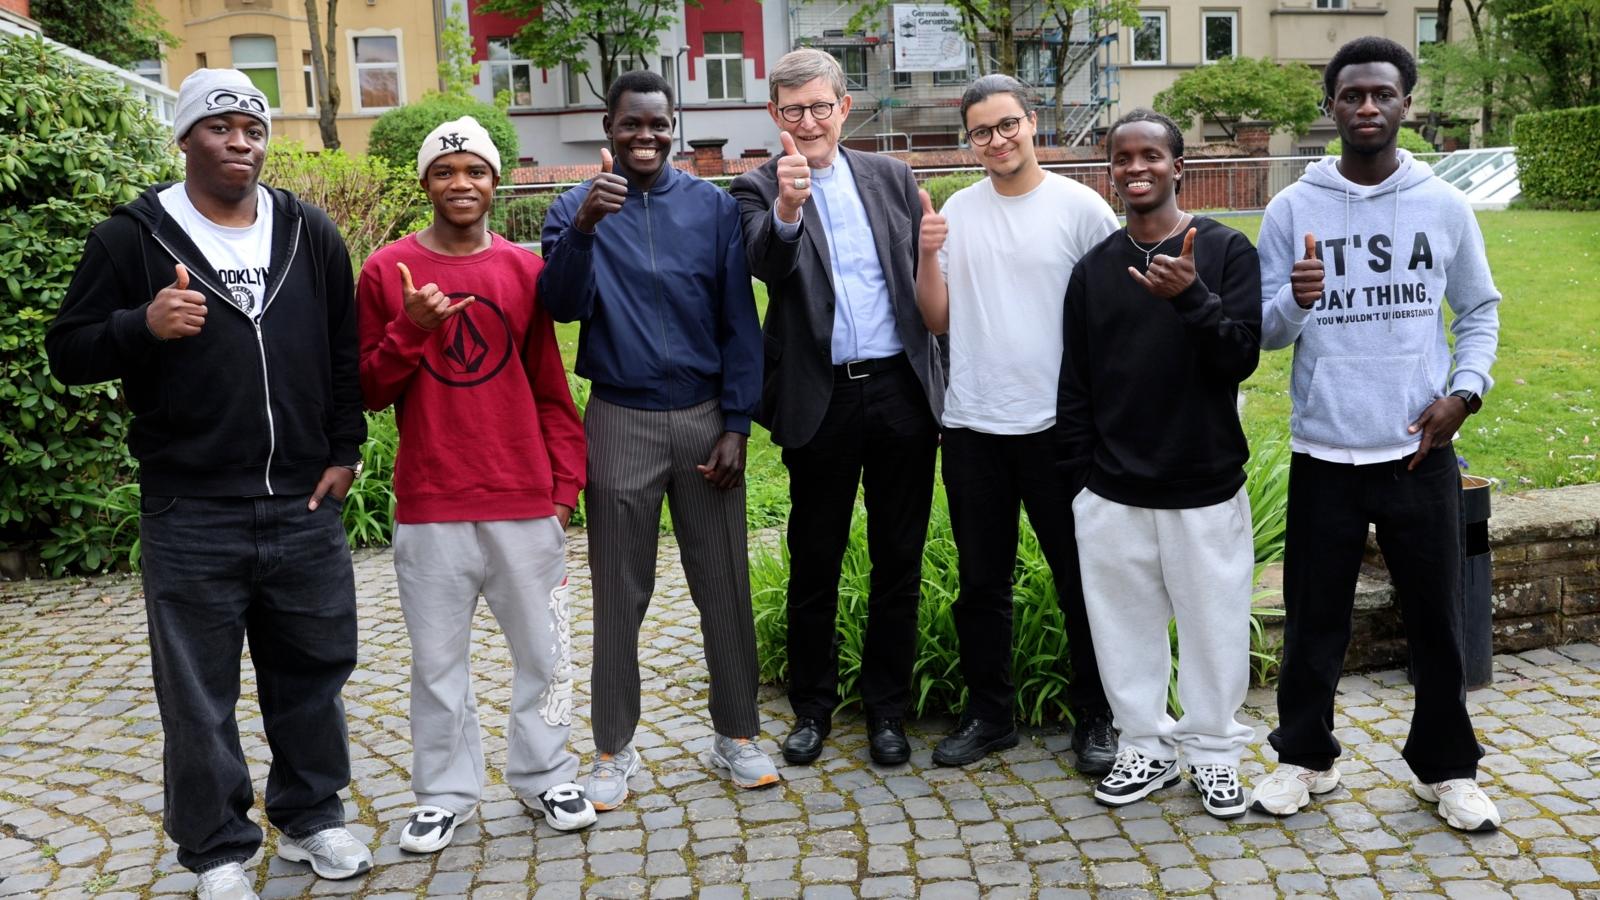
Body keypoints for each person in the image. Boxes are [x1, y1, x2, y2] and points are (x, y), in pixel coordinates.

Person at [45, 69, 370, 900]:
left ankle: (311, 820)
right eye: (220, 127)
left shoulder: (307, 230)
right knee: (197, 694)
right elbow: (69, 349)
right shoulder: (133, 237)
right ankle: (218, 849)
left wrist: (345, 449)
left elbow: (343, 350)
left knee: (313, 671)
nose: (240, 142)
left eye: (252, 129)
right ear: (185, 138)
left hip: (302, 500)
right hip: (192, 505)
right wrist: (139, 327)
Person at [1249, 36, 1502, 832]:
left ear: (1406, 104)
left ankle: (1446, 770)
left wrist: (1465, 394)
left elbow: (1481, 311)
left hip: (1418, 452)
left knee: (1437, 619)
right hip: (1326, 450)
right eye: (1351, 95)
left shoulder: (1443, 205)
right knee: (1315, 618)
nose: (1366, 107)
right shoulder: (1293, 208)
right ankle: (1305, 759)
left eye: (1381, 95)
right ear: (1329, 105)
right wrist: (1296, 299)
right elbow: (1264, 332)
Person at [357, 116, 595, 848]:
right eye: (446, 171)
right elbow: (366, 388)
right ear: (425, 182)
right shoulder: (385, 271)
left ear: (496, 182)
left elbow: (549, 387)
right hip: (432, 501)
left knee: (548, 654)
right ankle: (444, 793)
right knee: (435, 665)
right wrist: (413, 328)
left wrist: (563, 490)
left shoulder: (524, 271)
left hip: (524, 498)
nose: (462, 184)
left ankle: (547, 774)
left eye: (476, 171)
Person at [538, 70, 775, 808]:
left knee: (724, 584)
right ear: (607, 126)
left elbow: (741, 318)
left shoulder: (708, 208)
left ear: (675, 125)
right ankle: (613, 749)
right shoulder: (572, 208)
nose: (645, 137)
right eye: (631, 125)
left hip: (705, 417)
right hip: (620, 417)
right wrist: (583, 233)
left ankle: (736, 735)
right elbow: (559, 306)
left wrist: (737, 423)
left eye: (658, 124)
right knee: (619, 589)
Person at [729, 49, 942, 768]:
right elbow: (766, 263)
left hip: (898, 393)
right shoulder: (756, 187)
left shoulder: (891, 177)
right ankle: (812, 711)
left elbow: (925, 272)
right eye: (794, 110)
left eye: (821, 106)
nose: (809, 121)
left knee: (897, 559)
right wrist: (790, 206)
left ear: (844, 107)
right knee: (814, 560)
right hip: (817, 399)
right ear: (775, 115)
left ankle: (888, 712)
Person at [1056, 109, 1262, 817]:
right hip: (1112, 488)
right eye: (1122, 157)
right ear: (1109, 170)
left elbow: (1240, 355)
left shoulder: (1227, 251)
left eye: (1152, 155)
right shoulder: (1093, 271)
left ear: (1179, 167)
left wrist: (1192, 297)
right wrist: (1083, 479)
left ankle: (1213, 754)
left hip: (1203, 483)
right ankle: (1143, 746)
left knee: (1214, 629)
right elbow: (1076, 383)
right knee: (1123, 628)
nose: (1136, 168)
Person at [911, 75, 1119, 773]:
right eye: (981, 131)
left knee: (1080, 580)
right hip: (973, 424)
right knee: (981, 585)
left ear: (1034, 122)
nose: (996, 140)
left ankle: (1099, 716)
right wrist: (927, 251)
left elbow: (1114, 312)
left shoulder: (1081, 209)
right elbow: (936, 320)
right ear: (968, 141)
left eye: (1008, 125)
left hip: (1059, 428)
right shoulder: (957, 211)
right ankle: (990, 714)